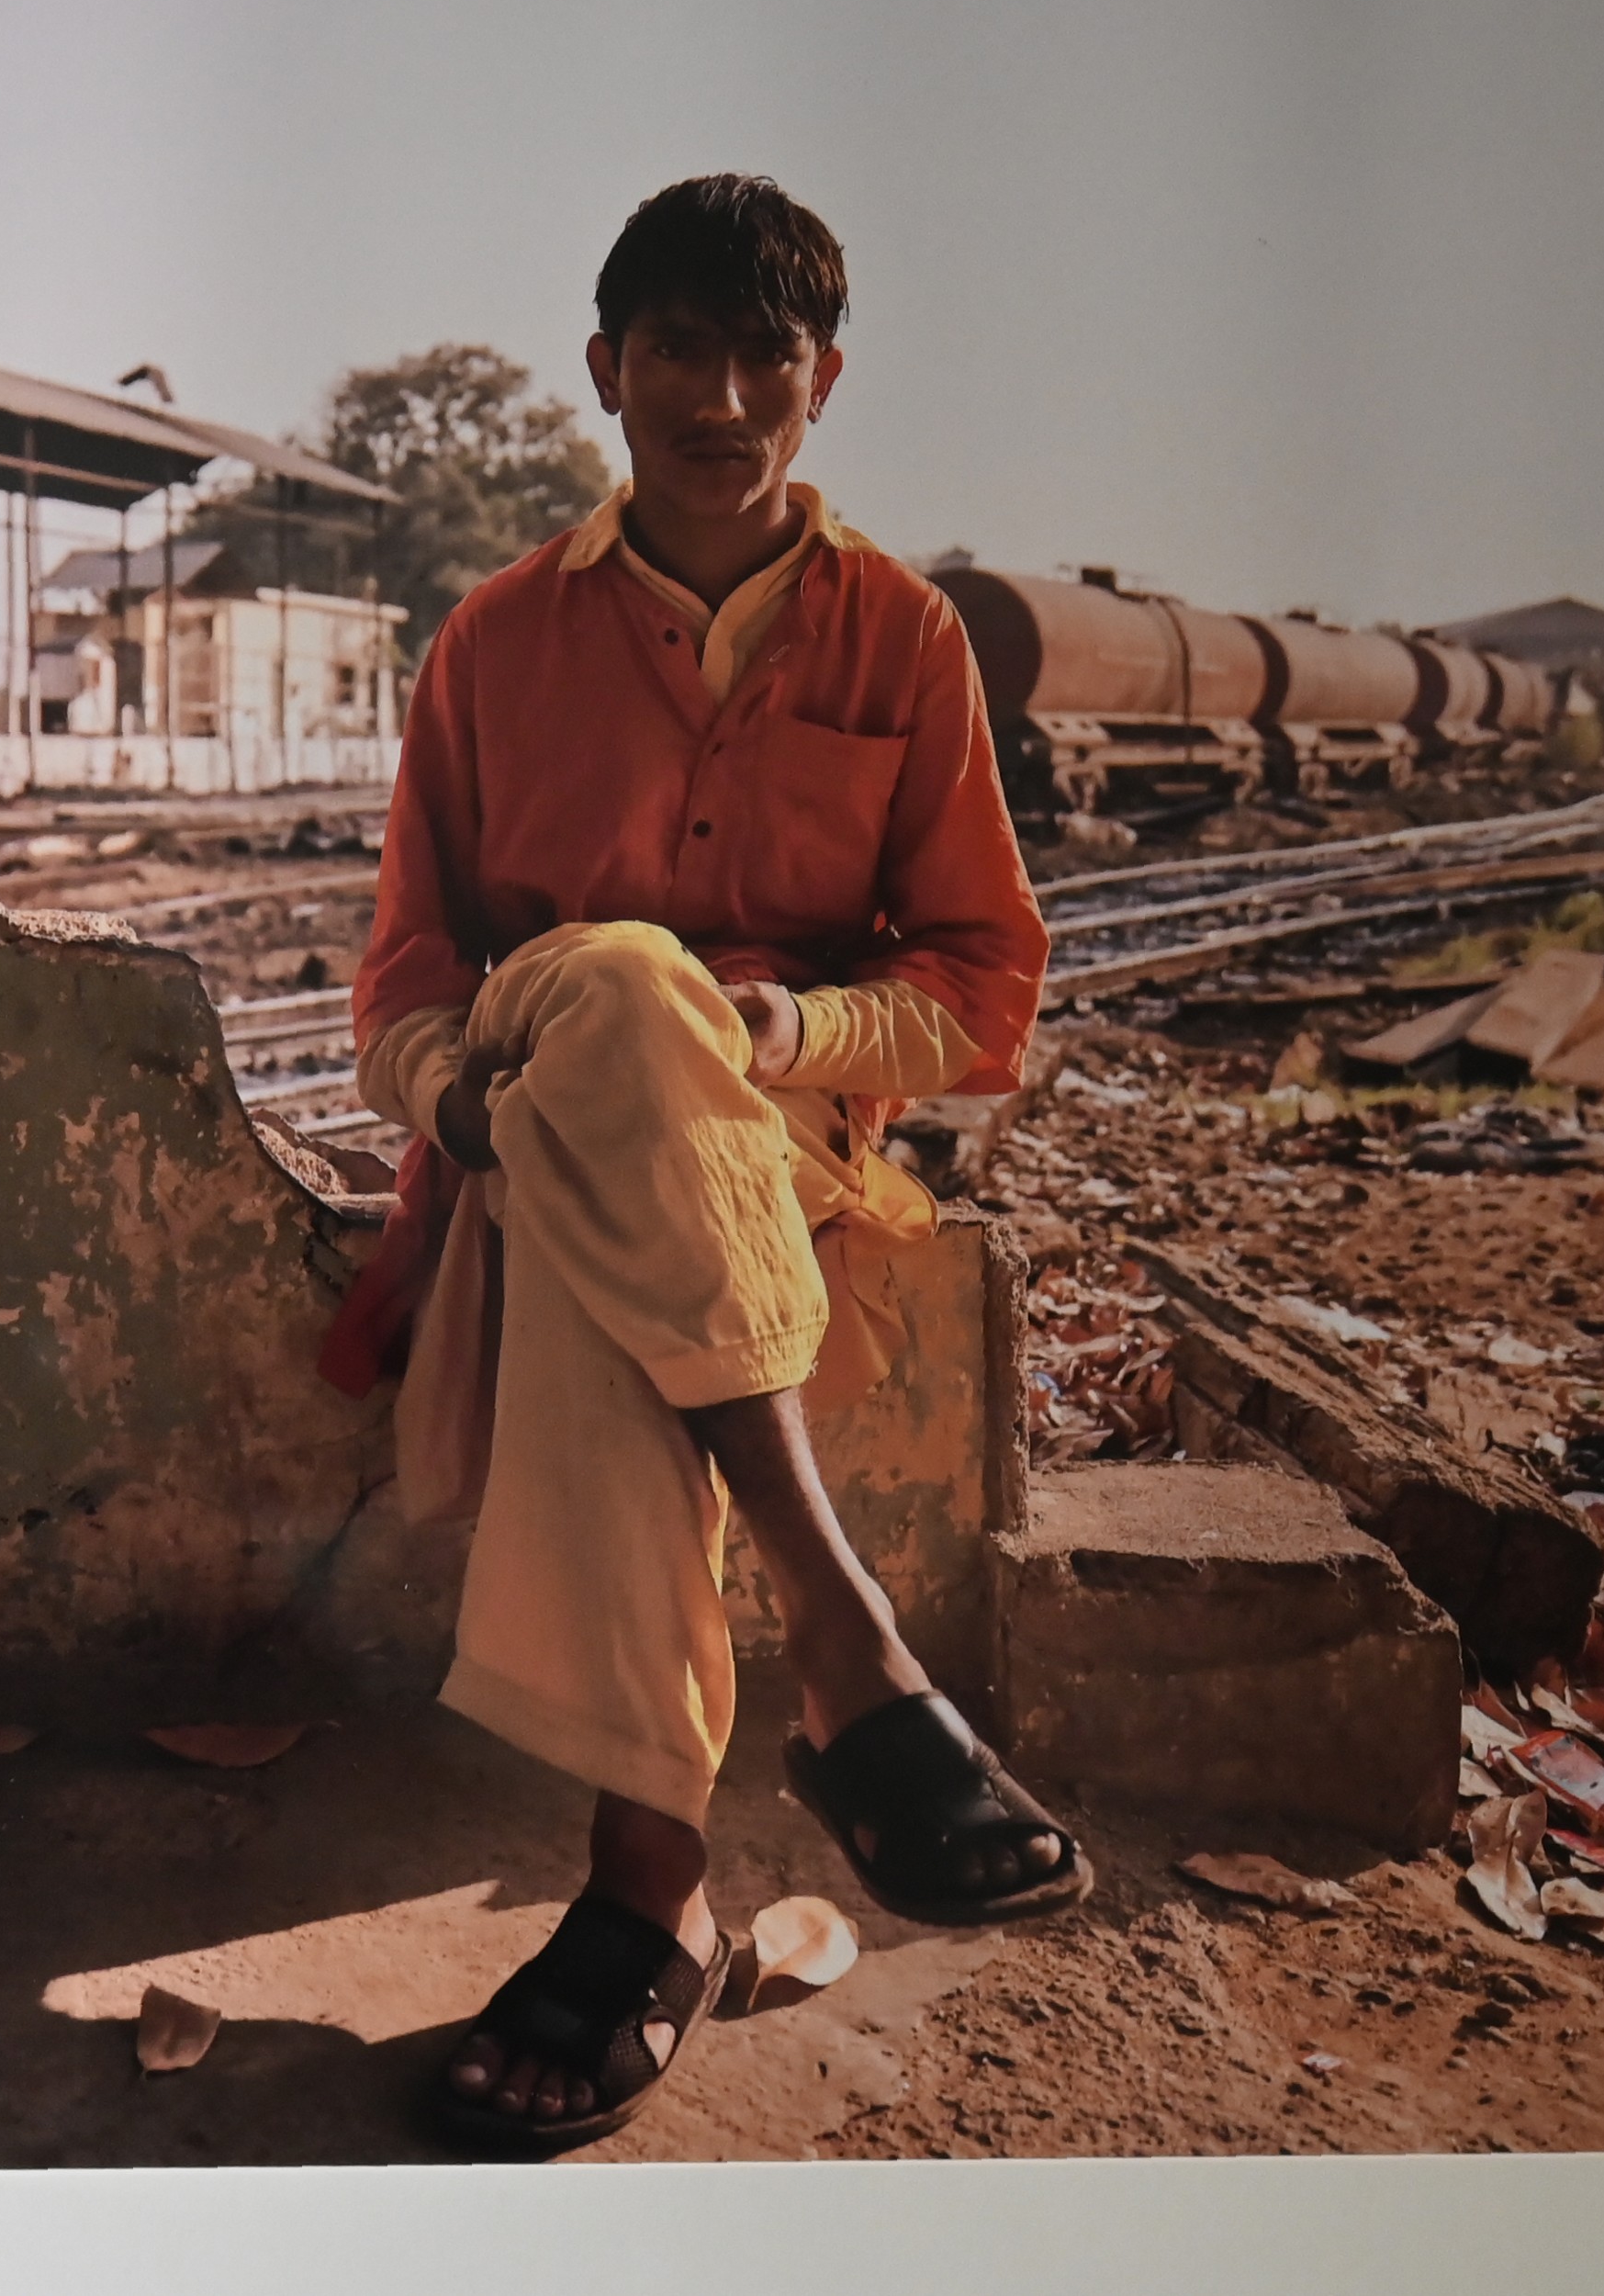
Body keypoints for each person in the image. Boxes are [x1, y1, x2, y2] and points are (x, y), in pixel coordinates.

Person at [333, 174, 1091, 2151]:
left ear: (822, 381)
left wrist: (789, 1034)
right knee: (618, 985)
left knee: (633, 1193)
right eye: (681, 346)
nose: (724, 391)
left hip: (761, 1149)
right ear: (609, 371)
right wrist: (456, 1104)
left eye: (767, 354)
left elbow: (980, 994)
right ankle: (843, 1644)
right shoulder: (495, 641)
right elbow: (412, 965)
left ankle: (644, 1892)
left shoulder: (905, 640)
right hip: (538, 1080)